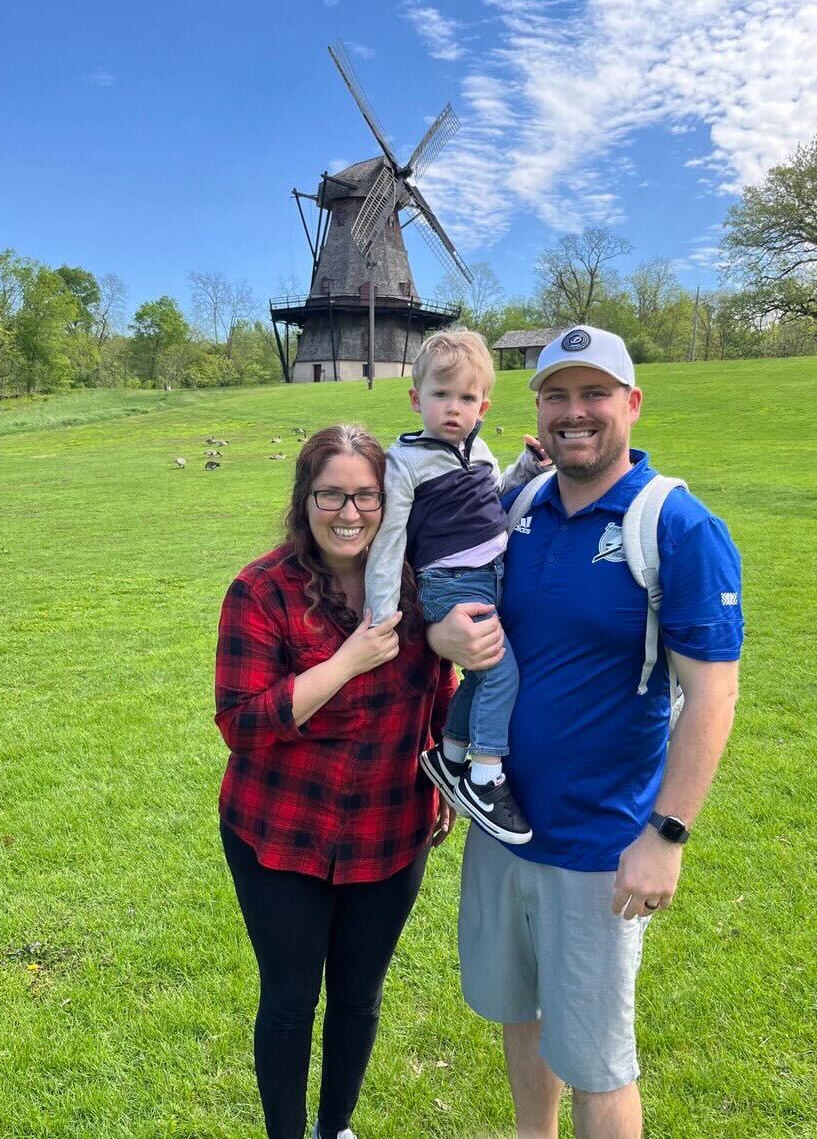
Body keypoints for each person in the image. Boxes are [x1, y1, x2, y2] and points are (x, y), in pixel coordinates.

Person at [427, 325, 744, 1139]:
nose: (575, 412)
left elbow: (711, 696)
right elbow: (459, 615)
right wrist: (443, 641)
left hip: (597, 846)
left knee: (599, 1062)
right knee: (518, 1015)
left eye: (593, 393)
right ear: (535, 408)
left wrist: (665, 834)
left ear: (630, 404)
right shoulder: (520, 505)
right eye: (556, 395)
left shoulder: (674, 524)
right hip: (502, 828)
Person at [214, 425, 457, 1139]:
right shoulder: (261, 591)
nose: (348, 513)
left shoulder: (416, 584)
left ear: (389, 502)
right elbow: (240, 722)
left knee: (359, 996)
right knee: (290, 1000)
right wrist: (346, 661)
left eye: (365, 496)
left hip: (390, 825)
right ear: (304, 498)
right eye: (330, 495)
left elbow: (438, 688)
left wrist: (441, 770)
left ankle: (335, 1128)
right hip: (280, 832)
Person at [364, 329, 542, 845]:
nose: (453, 408)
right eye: (441, 395)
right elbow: (391, 539)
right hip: (449, 581)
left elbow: (495, 499)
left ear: (482, 404)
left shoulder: (479, 448)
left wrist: (526, 469)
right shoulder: (405, 462)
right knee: (503, 674)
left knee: (485, 677)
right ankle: (485, 776)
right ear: (417, 399)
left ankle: (450, 753)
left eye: (466, 398)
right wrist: (383, 613)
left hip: (490, 578)